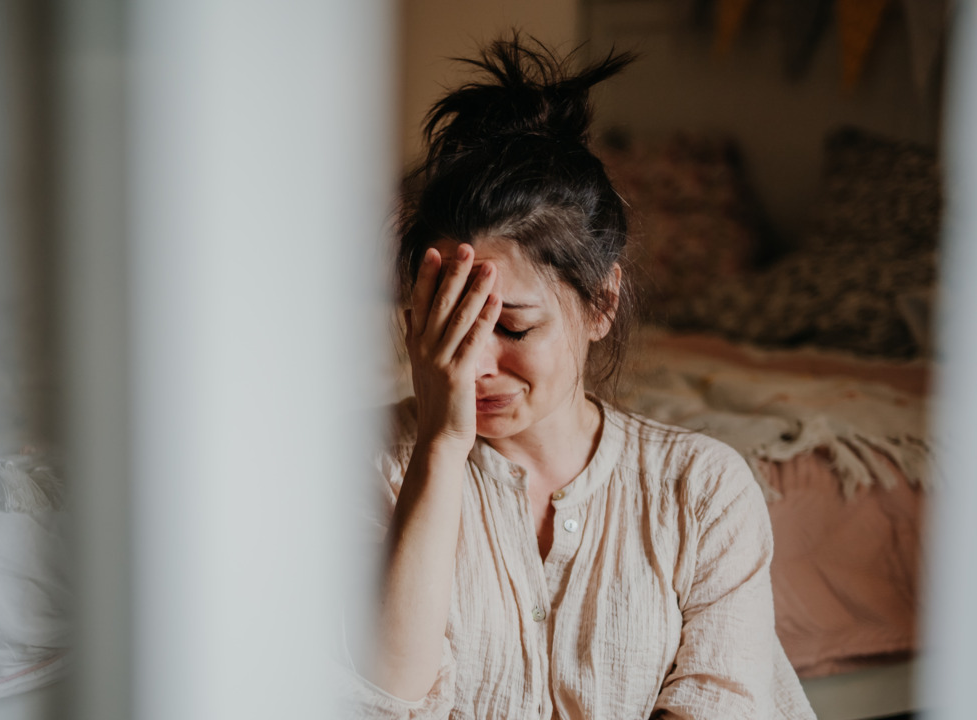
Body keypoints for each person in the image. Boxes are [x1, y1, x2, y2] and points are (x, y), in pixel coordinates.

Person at [344, 38, 817, 719]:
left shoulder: (702, 491)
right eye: (446, 322)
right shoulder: (359, 462)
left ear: (602, 303)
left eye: (512, 328)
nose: (471, 366)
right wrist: (440, 448)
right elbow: (380, 697)